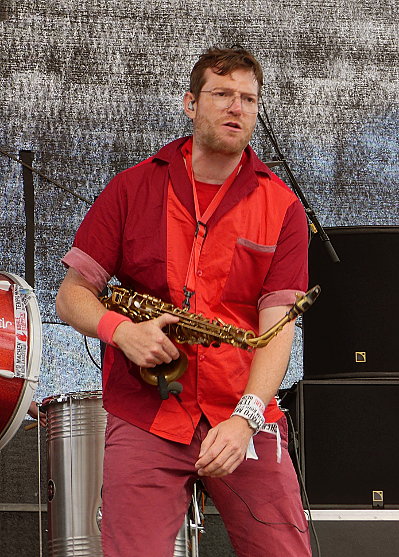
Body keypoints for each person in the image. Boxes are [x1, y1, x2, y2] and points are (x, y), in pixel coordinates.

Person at [56, 47, 311, 557]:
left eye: (248, 98)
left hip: (243, 412)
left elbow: (277, 328)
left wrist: (246, 418)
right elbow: (70, 297)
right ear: (190, 104)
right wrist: (122, 331)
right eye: (222, 94)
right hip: (146, 411)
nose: (236, 107)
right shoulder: (130, 188)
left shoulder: (283, 205)